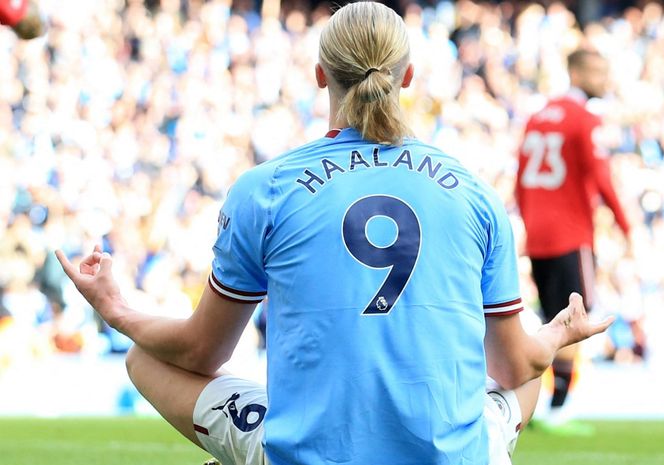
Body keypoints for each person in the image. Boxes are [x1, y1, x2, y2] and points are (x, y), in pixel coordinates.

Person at [58, 3, 612, 464]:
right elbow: (514, 367)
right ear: (409, 77)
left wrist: (118, 311)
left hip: (308, 454)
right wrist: (558, 335)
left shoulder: (264, 188)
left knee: (142, 357)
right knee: (526, 364)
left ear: (321, 73)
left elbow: (201, 353)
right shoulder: (474, 193)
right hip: (454, 455)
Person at [515, 49, 630, 433]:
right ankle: (560, 406)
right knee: (575, 318)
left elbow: (520, 179)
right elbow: (601, 175)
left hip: (539, 234)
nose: (603, 79)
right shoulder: (584, 118)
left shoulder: (537, 117)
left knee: (551, 318)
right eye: (597, 71)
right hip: (571, 232)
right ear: (577, 72)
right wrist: (626, 226)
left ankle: (544, 402)